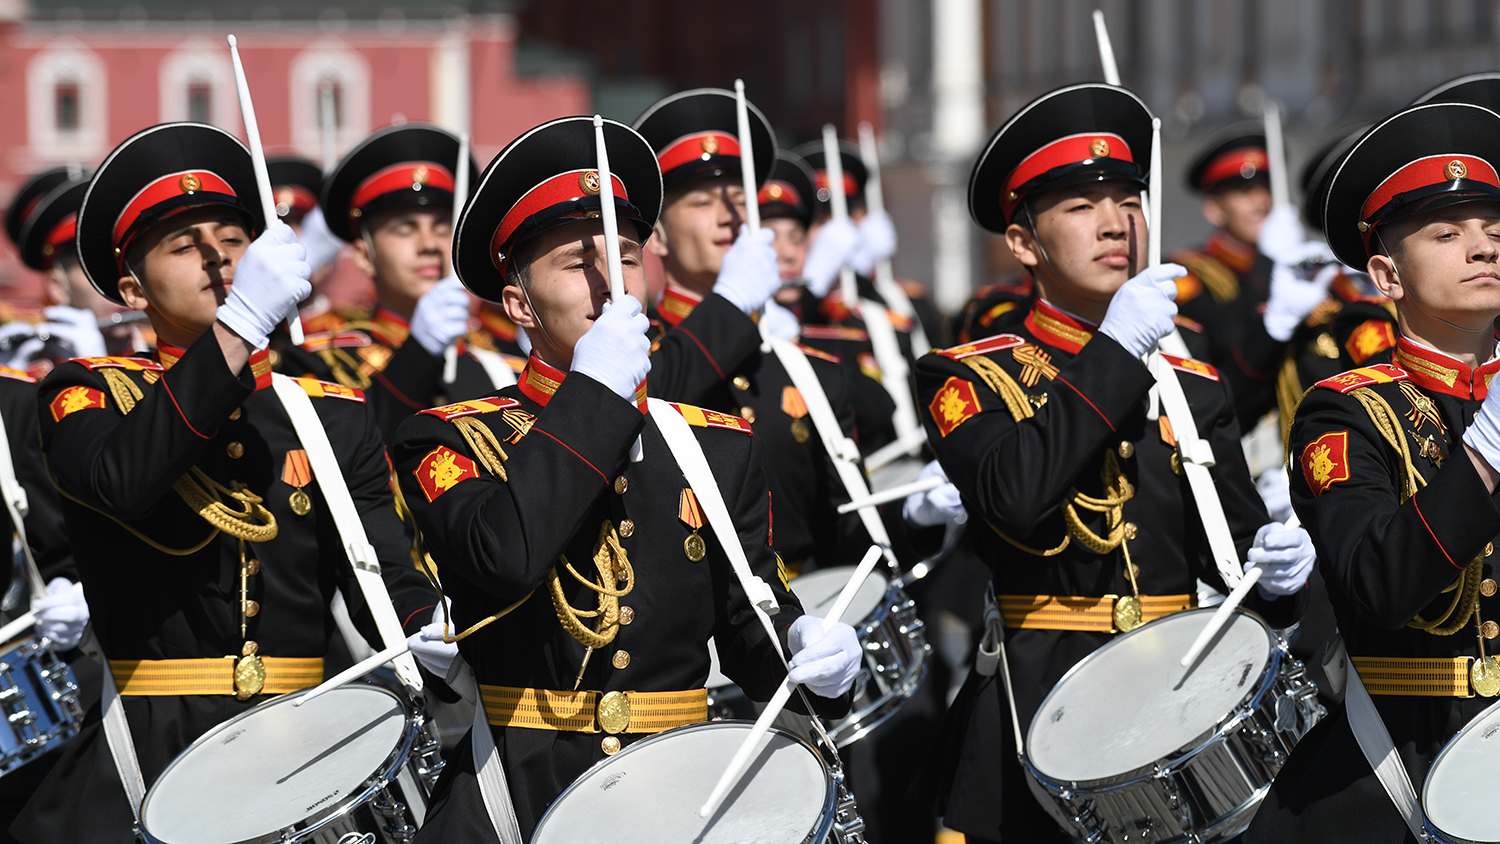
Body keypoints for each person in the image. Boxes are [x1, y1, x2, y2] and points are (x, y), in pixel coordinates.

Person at [392, 114, 860, 840]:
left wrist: (807, 647)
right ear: (518, 303)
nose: (611, 279)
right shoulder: (452, 436)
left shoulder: (715, 443)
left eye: (628, 255)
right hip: (521, 788)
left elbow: (745, 621)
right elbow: (508, 555)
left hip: (677, 792)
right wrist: (597, 395)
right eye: (578, 262)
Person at [10, 122, 440, 844]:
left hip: (302, 748)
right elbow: (124, 480)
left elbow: (380, 575)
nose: (217, 259)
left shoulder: (325, 412)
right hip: (153, 742)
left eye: (234, 243)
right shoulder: (87, 394)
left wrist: (426, 625)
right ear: (129, 286)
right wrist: (237, 329)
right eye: (184, 248)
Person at [910, 83, 1314, 843]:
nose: (1115, 223)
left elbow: (1234, 567)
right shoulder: (966, 375)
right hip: (1039, 708)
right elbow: (1012, 496)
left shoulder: (1191, 383)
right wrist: (1117, 353)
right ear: (1025, 243)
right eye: (1078, 207)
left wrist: (1278, 575)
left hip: (1175, 709)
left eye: (1129, 199)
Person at [1244, 99, 1500, 844]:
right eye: (1449, 234)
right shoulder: (1347, 412)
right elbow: (1379, 584)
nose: (1483, 248)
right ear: (1386, 275)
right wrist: (1482, 454)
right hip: (1405, 750)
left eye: (1495, 230)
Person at [633, 88, 873, 574]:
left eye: (741, 200)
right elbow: (645, 404)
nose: (729, 216)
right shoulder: (637, 355)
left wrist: (920, 518)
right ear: (656, 235)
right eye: (702, 202)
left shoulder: (803, 370)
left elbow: (848, 536)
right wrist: (730, 306)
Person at [280, 123, 495, 440]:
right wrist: (420, 353)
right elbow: (346, 456)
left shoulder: (494, 354)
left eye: (440, 226)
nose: (429, 245)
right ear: (364, 256)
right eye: (405, 229)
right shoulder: (317, 360)